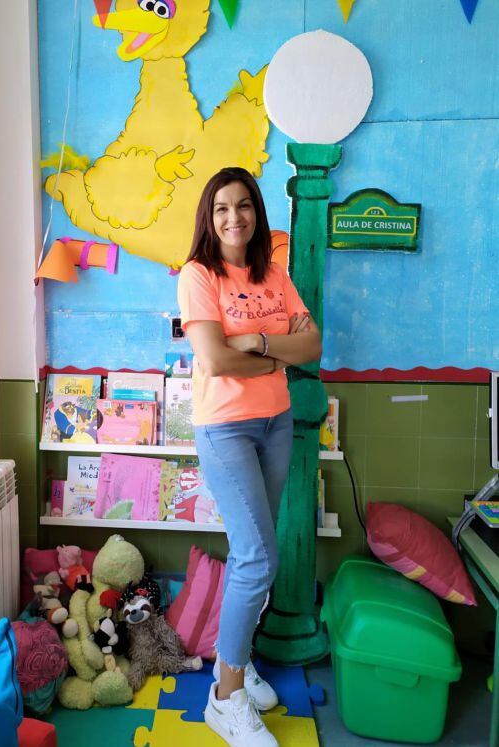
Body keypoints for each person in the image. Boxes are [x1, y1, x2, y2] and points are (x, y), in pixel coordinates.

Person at [177, 167, 322, 747]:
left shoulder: (274, 275)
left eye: (243, 206)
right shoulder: (198, 275)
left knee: (251, 554)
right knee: (260, 559)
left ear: (257, 213)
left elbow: (312, 344)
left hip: (276, 422)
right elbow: (213, 360)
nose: (234, 217)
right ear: (209, 220)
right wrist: (274, 359)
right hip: (226, 430)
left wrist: (259, 344)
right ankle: (225, 696)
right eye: (221, 209)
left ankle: (236, 663)